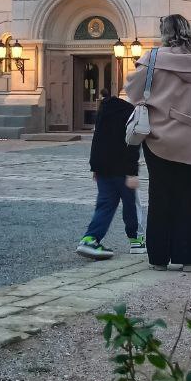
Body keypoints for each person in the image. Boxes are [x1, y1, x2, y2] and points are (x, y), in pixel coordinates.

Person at [125, 14, 191, 272]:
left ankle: (159, 258)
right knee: (189, 194)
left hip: (160, 138)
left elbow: (132, 91)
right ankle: (189, 258)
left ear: (164, 33)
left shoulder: (153, 59)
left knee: (160, 194)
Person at [76, 87, 146, 259]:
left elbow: (97, 139)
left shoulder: (105, 109)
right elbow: (132, 144)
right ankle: (136, 239)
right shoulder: (132, 112)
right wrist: (132, 173)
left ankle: (90, 238)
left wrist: (95, 167)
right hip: (123, 169)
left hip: (103, 167)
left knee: (105, 204)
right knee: (131, 204)